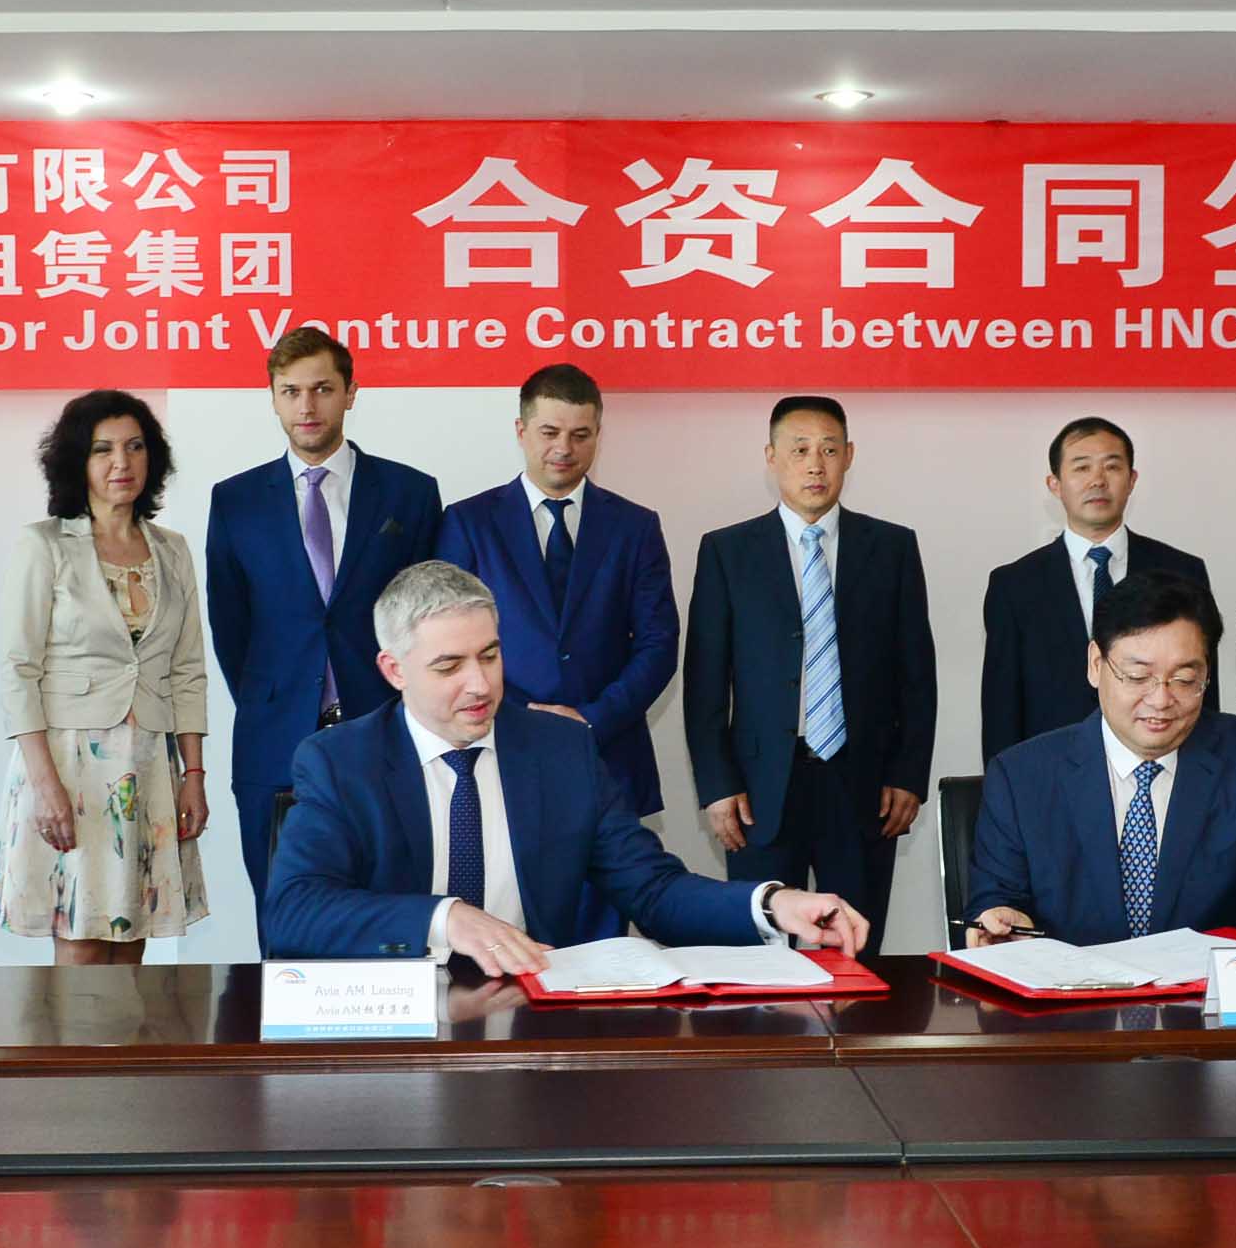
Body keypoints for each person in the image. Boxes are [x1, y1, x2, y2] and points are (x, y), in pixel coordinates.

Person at [267, 563, 871, 971]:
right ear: (394, 670)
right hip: (393, 1021)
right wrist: (445, 919)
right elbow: (294, 911)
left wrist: (771, 905)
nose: (480, 684)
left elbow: (653, 890)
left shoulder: (560, 750)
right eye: (449, 667)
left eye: (490, 655)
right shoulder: (340, 761)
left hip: (530, 1016)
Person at [963, 572, 1236, 948]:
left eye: (1185, 679)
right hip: (1072, 1006)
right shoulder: (1022, 776)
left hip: (1202, 1006)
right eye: (1138, 676)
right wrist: (1004, 921)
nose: (1161, 699)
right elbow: (996, 899)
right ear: (1095, 664)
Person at [204, 327, 443, 922]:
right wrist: (272, 701)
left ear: (350, 393)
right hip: (273, 743)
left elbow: (427, 619)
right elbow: (230, 625)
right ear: (273, 398)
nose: (306, 406)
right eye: (290, 391)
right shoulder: (235, 501)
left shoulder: (410, 493)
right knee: (281, 914)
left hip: (386, 736)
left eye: (322, 389)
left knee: (389, 914)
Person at [435, 363, 679, 938]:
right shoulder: (468, 523)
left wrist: (588, 720)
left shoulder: (635, 526)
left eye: (580, 434)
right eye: (549, 432)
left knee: (603, 946)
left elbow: (658, 644)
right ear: (521, 430)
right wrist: (523, 719)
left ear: (598, 435)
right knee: (506, 935)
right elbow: (447, 641)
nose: (564, 449)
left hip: (606, 756)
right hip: (498, 750)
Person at [682, 395, 937, 943]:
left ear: (849, 456)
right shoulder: (727, 551)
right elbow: (705, 684)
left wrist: (909, 774)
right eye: (800, 450)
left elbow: (917, 675)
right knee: (761, 949)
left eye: (828, 449)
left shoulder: (892, 548)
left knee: (857, 945)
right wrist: (717, 785)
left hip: (864, 783)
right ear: (771, 457)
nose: (815, 464)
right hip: (760, 789)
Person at [0, 390, 210, 961]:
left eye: (135, 447)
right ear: (76, 461)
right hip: (67, 766)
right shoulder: (44, 545)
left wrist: (194, 774)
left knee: (132, 944)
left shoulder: (173, 550)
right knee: (82, 943)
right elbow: (18, 670)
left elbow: (188, 669)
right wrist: (45, 786)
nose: (122, 463)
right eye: (103, 449)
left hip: (150, 765)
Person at [980, 415, 1212, 763]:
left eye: (1112, 467)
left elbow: (1202, 686)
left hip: (1163, 765)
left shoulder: (1182, 572)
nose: (1098, 480)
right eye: (1082, 467)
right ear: (1055, 484)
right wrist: (1005, 783)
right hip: (1052, 770)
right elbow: (1002, 706)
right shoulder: (1014, 585)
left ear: (1132, 480)